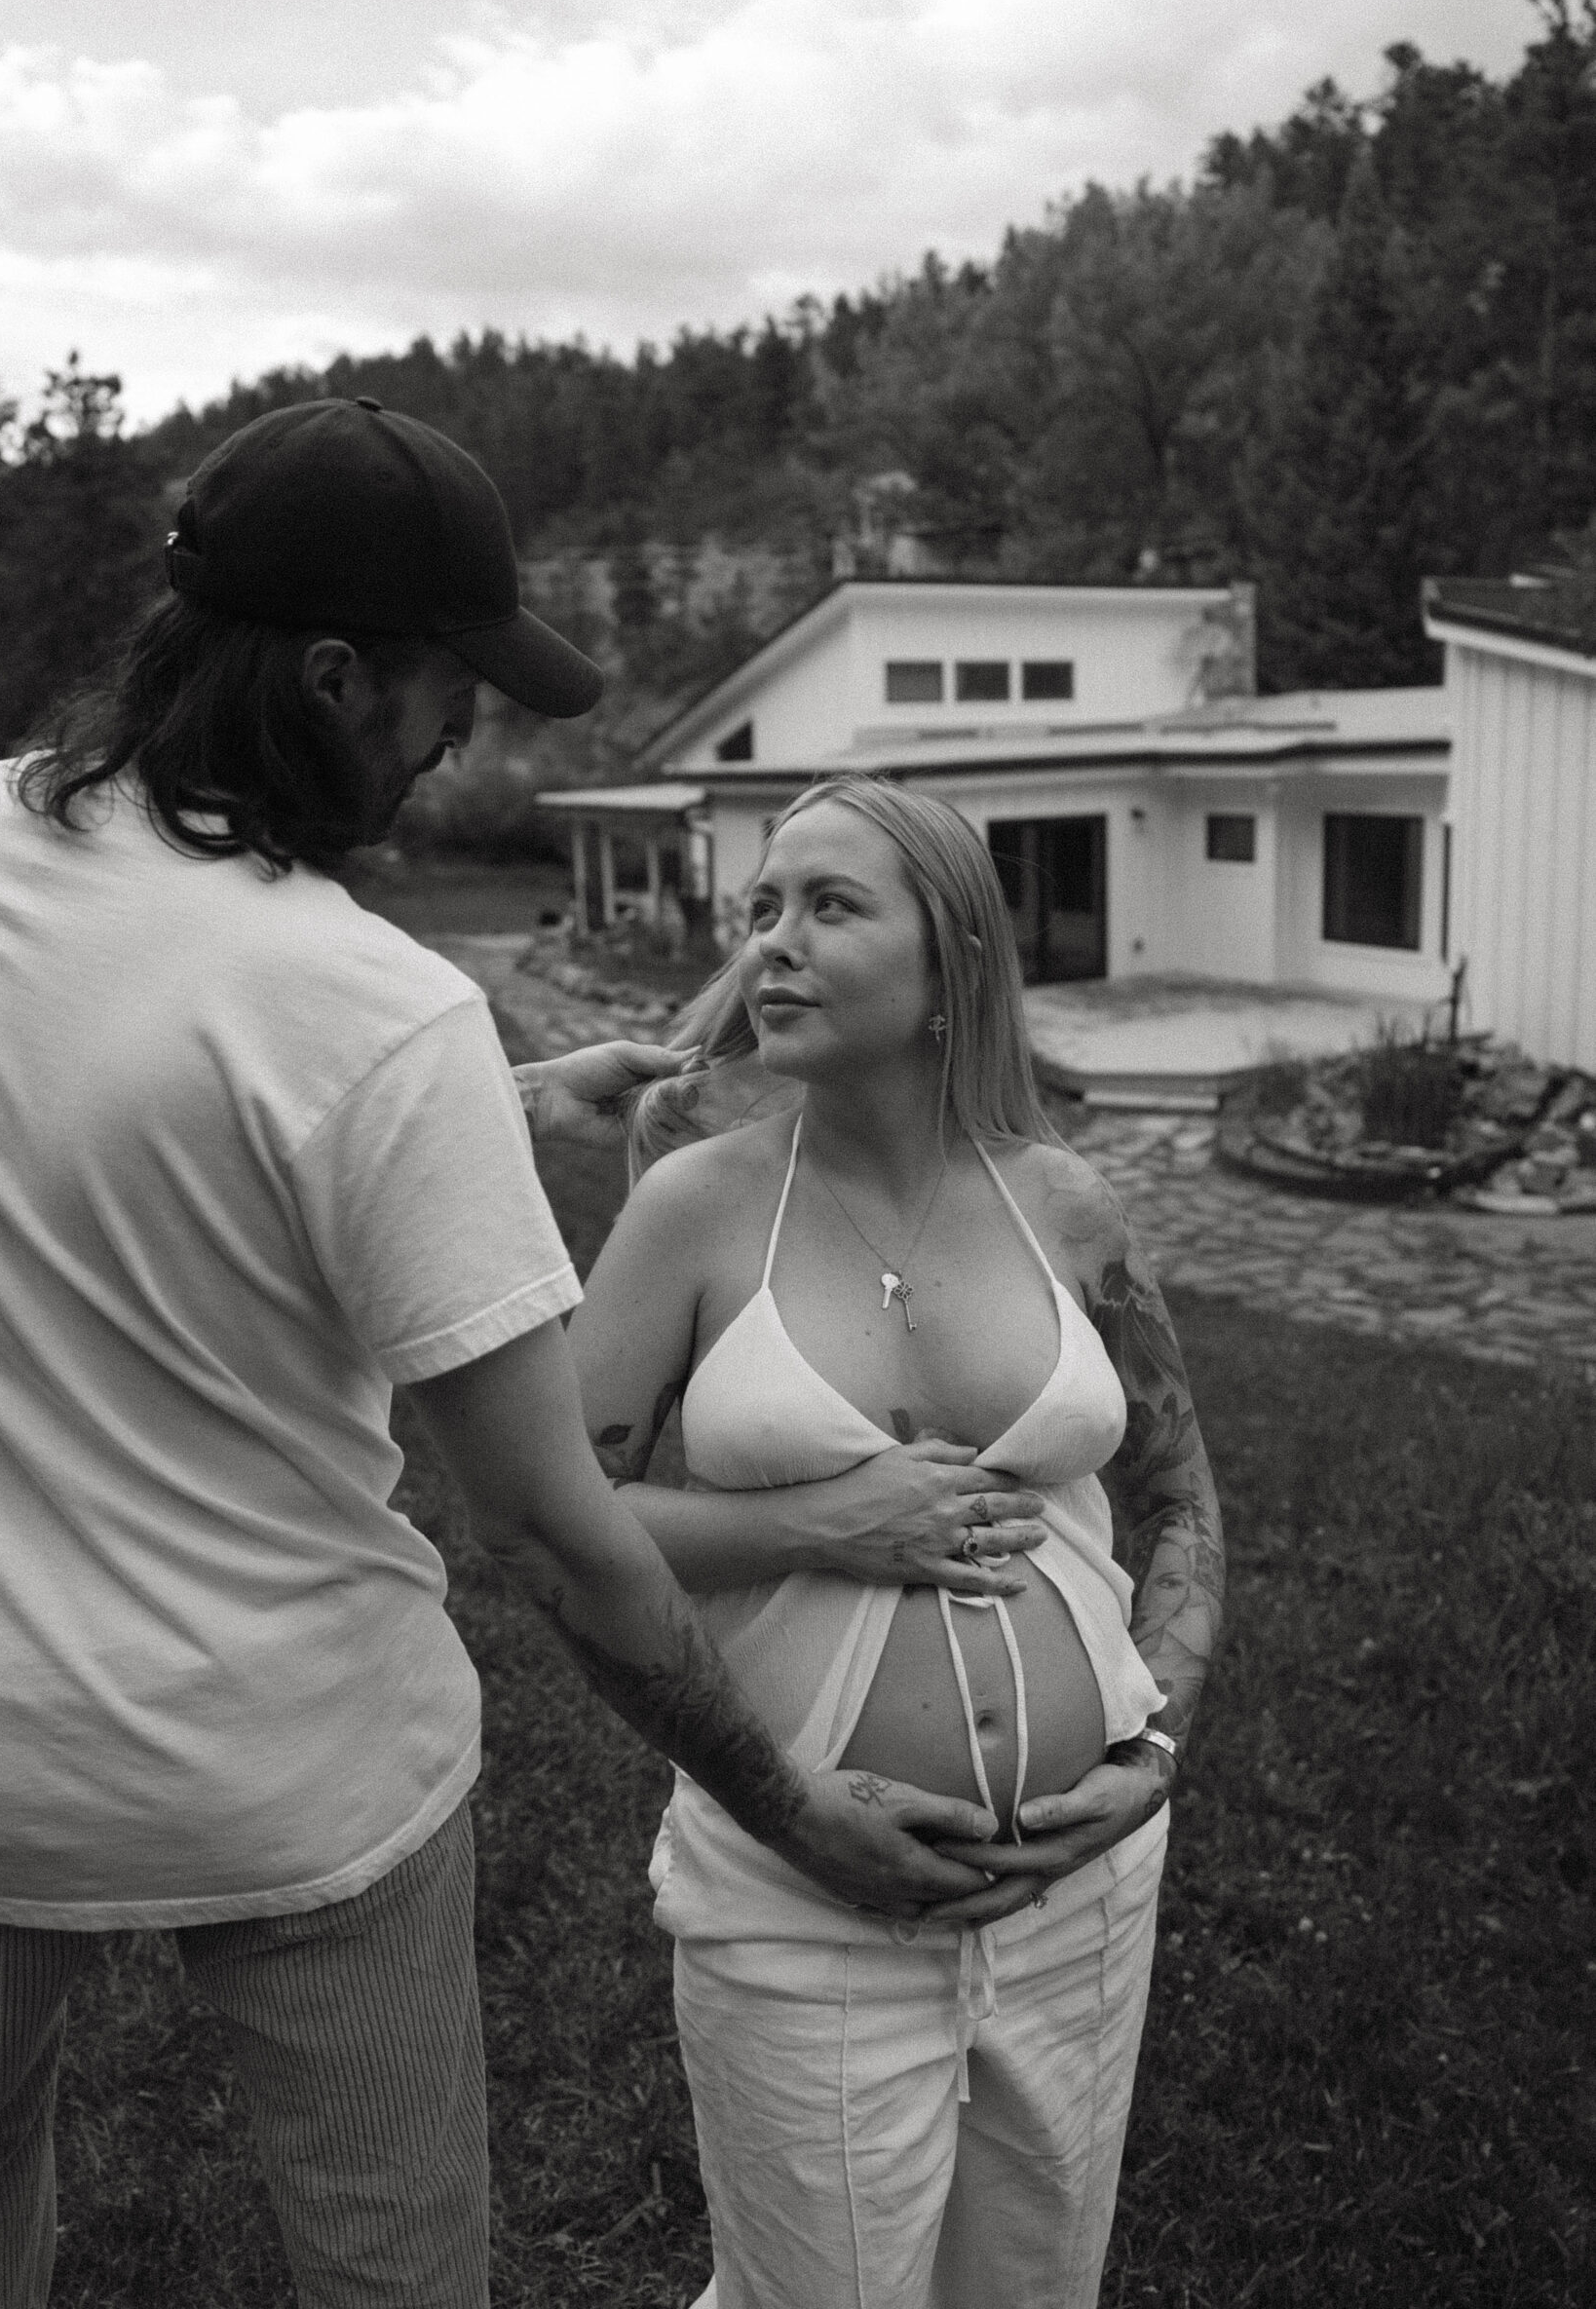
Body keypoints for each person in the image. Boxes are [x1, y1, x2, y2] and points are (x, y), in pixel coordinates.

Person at [0, 404, 1006, 2309]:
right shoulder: (368, 1003)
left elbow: (120, 1113)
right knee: (388, 2266)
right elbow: (556, 1528)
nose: (465, 740)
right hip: (297, 1783)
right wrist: (791, 1800)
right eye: (449, 691)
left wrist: (500, 1093)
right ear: (335, 675)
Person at [570, 774, 1226, 2309]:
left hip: (1085, 1889)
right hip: (804, 1891)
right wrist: (818, 1521)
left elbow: (1181, 1496)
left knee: (1036, 2287)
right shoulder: (695, 1209)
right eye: (762, 909)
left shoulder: (1068, 1208)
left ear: (958, 963)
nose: (772, 945)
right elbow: (558, 1526)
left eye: (830, 905)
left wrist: (1155, 1749)